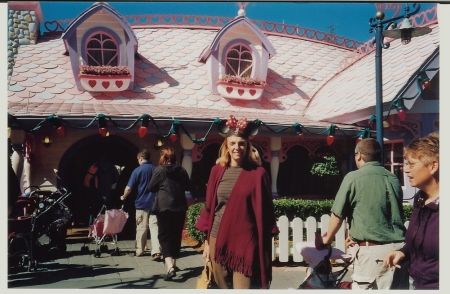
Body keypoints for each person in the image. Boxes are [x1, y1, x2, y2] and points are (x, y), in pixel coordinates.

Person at [195, 115, 279, 289]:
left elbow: (266, 211)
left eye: (241, 143)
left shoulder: (258, 173)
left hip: (245, 242)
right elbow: (210, 207)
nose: (237, 148)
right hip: (218, 237)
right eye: (232, 143)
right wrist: (207, 243)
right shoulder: (217, 171)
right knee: (221, 285)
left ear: (247, 145)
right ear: (226, 146)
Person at [317, 138, 407, 290]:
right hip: (400, 251)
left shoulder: (353, 178)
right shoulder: (393, 178)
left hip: (373, 255)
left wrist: (326, 240)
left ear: (359, 155)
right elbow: (382, 213)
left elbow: (337, 215)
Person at [383, 133, 439, 289]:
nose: (406, 170)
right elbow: (417, 240)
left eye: (412, 164)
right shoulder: (420, 200)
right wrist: (403, 252)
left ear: (433, 166)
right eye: (406, 163)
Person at [148, 147, 190, 281]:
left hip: (164, 207)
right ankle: (174, 264)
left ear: (163, 157)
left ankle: (170, 267)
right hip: (179, 207)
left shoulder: (159, 170)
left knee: (164, 237)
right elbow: (188, 186)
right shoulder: (182, 170)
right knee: (176, 235)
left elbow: (151, 187)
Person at [120, 149, 161, 259]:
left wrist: (124, 196)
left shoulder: (137, 171)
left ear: (140, 158)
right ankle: (156, 251)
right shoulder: (156, 170)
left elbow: (129, 187)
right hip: (155, 203)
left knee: (141, 227)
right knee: (154, 227)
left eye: (138, 159)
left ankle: (140, 250)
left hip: (141, 203)